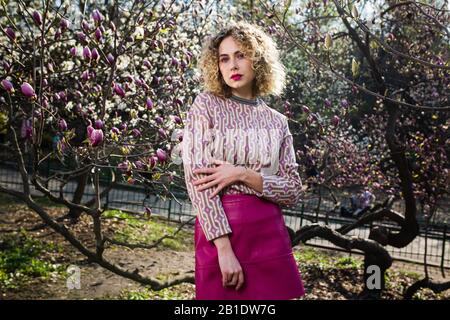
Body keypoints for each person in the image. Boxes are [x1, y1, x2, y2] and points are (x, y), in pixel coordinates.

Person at [181, 21, 305, 300]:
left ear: (257, 59)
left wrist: (242, 174)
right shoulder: (206, 105)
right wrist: (223, 249)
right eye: (224, 58)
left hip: (268, 233)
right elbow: (197, 181)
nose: (232, 65)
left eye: (240, 55)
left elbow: (293, 190)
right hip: (220, 233)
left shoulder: (277, 122)